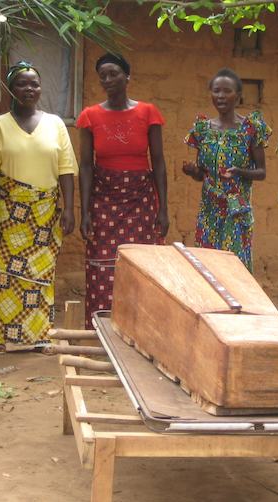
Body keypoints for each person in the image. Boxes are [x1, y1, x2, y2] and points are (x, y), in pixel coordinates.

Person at [0, 60, 76, 353]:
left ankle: (40, 336)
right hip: (6, 213)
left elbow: (66, 170)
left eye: (34, 83)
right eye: (22, 83)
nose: (29, 89)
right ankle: (0, 336)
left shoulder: (56, 124)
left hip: (45, 214)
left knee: (40, 277)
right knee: (3, 275)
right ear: (11, 88)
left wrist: (69, 208)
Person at [77, 53, 169, 328]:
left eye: (114, 73)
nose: (108, 80)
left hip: (141, 198)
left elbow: (159, 162)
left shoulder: (148, 113)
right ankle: (102, 329)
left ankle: (143, 327)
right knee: (102, 265)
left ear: (127, 76)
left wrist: (163, 209)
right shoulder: (89, 117)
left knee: (144, 263)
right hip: (103, 199)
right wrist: (85, 212)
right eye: (103, 75)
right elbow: (85, 166)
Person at [182, 68, 270, 270]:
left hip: (236, 211)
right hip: (209, 211)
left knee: (235, 267)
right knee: (208, 267)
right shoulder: (203, 130)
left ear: (238, 95)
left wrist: (239, 171)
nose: (220, 96)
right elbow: (202, 174)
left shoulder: (250, 129)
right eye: (216, 91)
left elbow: (262, 172)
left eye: (227, 91)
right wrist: (193, 171)